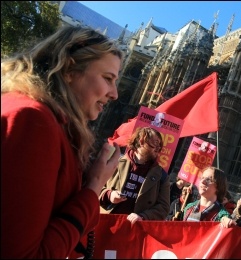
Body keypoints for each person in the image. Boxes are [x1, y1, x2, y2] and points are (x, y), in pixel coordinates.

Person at [1, 25, 123, 258]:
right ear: (69, 69)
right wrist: (94, 186)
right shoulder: (33, 121)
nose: (115, 93)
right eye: (108, 78)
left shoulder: (33, 113)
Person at [99, 127, 170, 224]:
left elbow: (164, 208)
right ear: (141, 141)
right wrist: (109, 195)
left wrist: (143, 216)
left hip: (134, 231)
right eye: (155, 143)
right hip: (105, 223)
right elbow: (94, 186)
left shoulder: (162, 176)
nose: (158, 149)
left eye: (160, 146)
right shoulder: (115, 162)